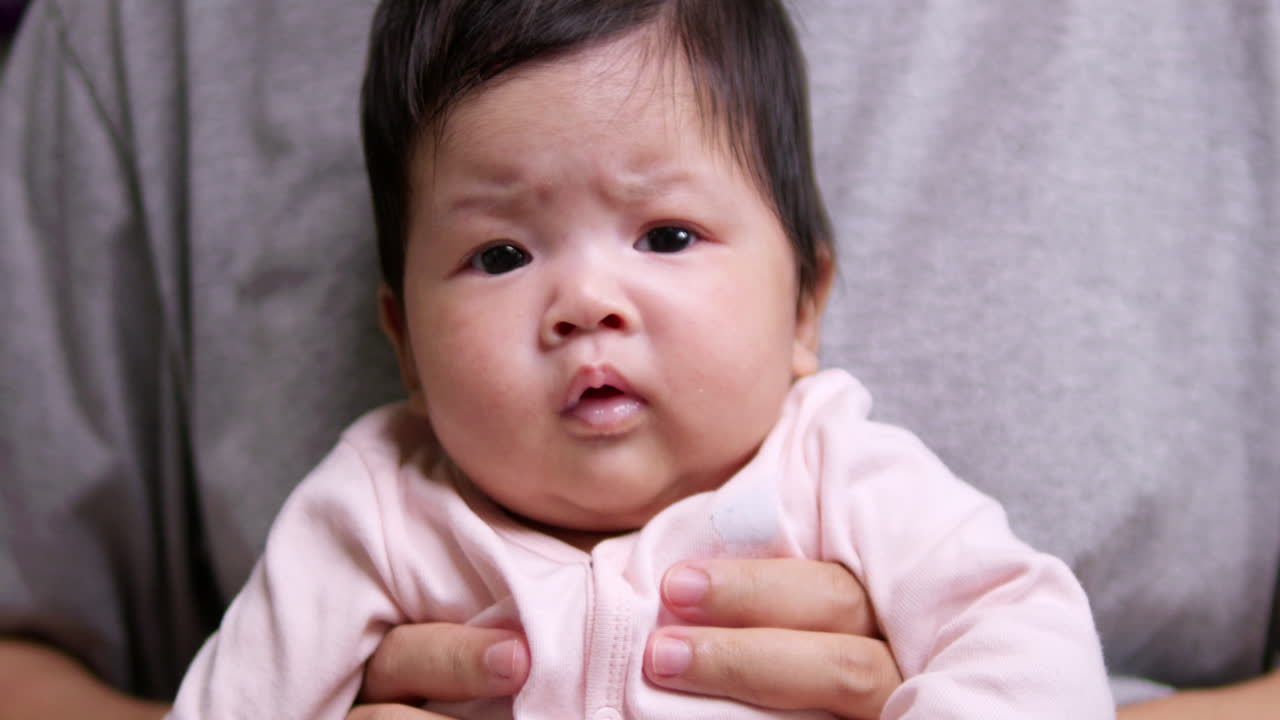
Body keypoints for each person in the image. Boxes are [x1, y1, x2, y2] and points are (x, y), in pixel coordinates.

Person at [0, 0, 1276, 719]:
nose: (584, 302)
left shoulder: (838, 467)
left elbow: (1024, 639)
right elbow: (242, 699)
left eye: (665, 235)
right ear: (400, 339)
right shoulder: (378, 505)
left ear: (803, 304)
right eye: (500, 257)